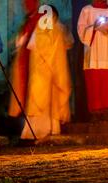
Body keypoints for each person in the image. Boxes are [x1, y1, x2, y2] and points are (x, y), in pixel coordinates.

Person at [20, 6, 74, 141]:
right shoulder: (47, 29)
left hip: (46, 71)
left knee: (46, 101)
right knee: (40, 101)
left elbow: (66, 45)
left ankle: (44, 130)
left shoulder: (54, 29)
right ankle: (40, 130)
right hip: (45, 72)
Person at [77, 0, 108, 121]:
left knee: (107, 83)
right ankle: (95, 114)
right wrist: (94, 27)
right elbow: (81, 30)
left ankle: (105, 113)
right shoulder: (86, 10)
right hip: (93, 54)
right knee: (94, 83)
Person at [8, 0, 44, 119]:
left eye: (29, 3)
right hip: (24, 56)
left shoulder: (42, 17)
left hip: (36, 57)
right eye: (25, 4)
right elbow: (21, 37)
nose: (26, 6)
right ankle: (23, 110)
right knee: (23, 85)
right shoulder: (27, 20)